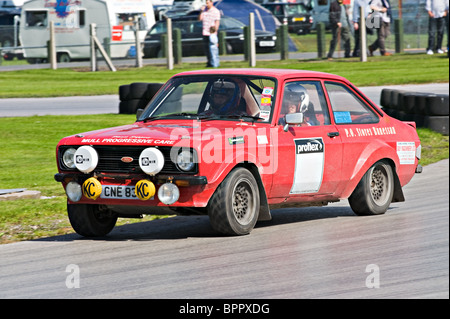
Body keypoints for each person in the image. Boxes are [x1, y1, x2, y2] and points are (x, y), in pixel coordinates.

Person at [199, 0, 221, 67]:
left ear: (211, 3)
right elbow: (200, 19)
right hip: (205, 32)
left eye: (208, 3)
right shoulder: (204, 11)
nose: (206, 5)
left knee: (213, 49)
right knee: (207, 49)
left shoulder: (215, 11)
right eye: (206, 3)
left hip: (212, 33)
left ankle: (215, 64)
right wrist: (201, 11)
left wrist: (215, 30)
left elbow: (217, 22)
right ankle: (209, 63)